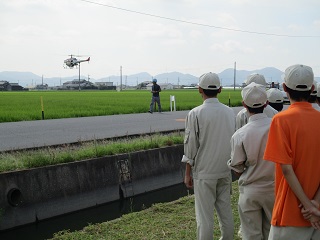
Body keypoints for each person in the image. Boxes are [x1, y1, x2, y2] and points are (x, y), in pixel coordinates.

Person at [263, 64, 320, 239]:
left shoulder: (280, 120)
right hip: (317, 213)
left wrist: (307, 206)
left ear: (285, 88)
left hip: (290, 211)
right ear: (312, 89)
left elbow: (287, 169)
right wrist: (315, 204)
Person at [182, 72, 235, 240]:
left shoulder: (195, 113)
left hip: (204, 172)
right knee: (225, 212)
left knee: (205, 218)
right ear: (219, 89)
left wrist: (187, 172)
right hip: (225, 170)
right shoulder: (230, 112)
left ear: (199, 89)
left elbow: (191, 146)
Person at [228, 82, 274, 240]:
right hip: (275, 189)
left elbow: (237, 168)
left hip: (250, 190)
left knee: (251, 234)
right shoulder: (278, 127)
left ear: (244, 105)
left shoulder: (240, 135)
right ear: (266, 103)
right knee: (272, 233)